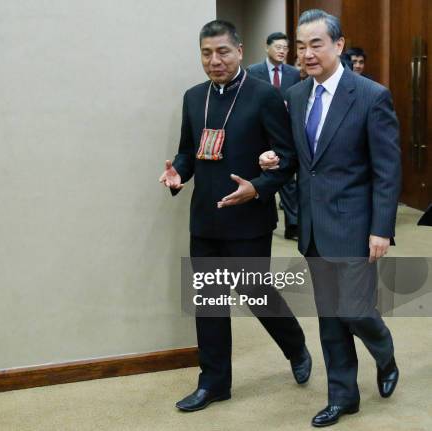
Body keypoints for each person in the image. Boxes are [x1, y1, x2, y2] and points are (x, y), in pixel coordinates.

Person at [250, 9, 400, 427]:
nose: (308, 53)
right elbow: (299, 160)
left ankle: (384, 353)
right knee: (330, 317)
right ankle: (343, 397)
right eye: (301, 46)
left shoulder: (371, 96)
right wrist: (273, 160)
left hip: (355, 226)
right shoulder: (297, 96)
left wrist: (381, 229)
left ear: (338, 45)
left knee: (354, 310)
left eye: (316, 44)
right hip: (314, 228)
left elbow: (387, 170)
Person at [159, 19, 311, 413]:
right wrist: (177, 173)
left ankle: (295, 346)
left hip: (248, 219)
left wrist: (258, 186)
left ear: (240, 51)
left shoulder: (263, 96)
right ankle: (213, 383)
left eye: (222, 51)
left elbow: (287, 158)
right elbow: (188, 151)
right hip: (205, 220)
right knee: (208, 303)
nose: (215, 61)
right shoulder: (194, 97)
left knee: (256, 294)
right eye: (207, 53)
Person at [247, 32, 301, 240]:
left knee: (287, 178)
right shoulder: (253, 71)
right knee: (263, 177)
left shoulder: (293, 73)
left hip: (283, 133)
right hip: (260, 134)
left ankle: (292, 225)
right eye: (278, 47)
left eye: (285, 48)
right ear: (267, 48)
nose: (282, 51)